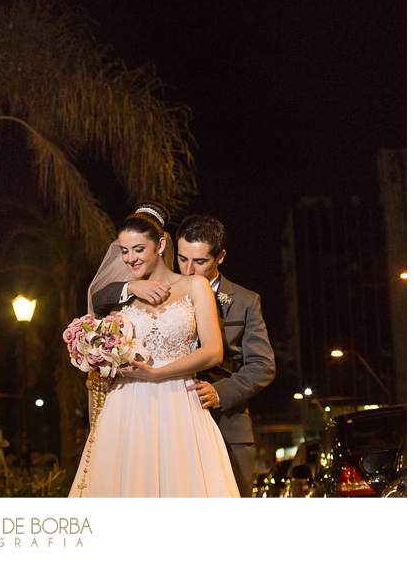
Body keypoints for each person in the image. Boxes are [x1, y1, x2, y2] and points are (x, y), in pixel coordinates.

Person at [90, 213, 275, 496]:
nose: (189, 269)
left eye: (199, 262)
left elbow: (262, 366)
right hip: (157, 413)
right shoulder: (149, 289)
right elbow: (99, 299)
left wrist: (219, 392)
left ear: (220, 257)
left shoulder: (246, 301)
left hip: (226, 423)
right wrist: (130, 286)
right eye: (183, 259)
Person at [68, 202, 239, 497]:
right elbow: (97, 305)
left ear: (160, 245)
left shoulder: (194, 286)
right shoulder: (119, 299)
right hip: (126, 407)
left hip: (178, 403)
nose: (130, 259)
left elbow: (213, 351)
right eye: (124, 251)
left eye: (138, 249)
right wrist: (108, 365)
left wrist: (156, 373)